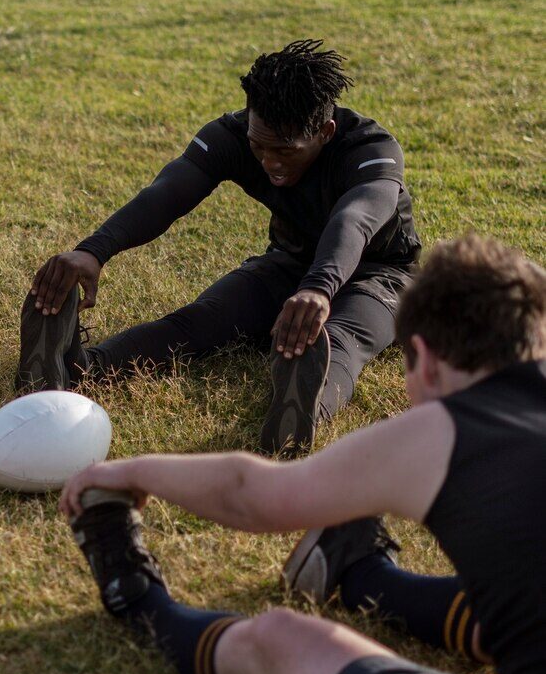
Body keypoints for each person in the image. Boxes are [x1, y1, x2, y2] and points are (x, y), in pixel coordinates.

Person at [57, 235, 546, 674]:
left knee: (282, 639)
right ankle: (364, 575)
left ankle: (134, 594)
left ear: (425, 357)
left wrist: (128, 470)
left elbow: (254, 496)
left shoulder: (448, 431)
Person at [21, 40, 420, 455]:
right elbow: (169, 191)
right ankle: (81, 367)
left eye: (286, 150)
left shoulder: (372, 150)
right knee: (199, 320)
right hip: (288, 266)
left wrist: (319, 288)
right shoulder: (234, 135)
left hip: (381, 278)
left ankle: (300, 414)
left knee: (338, 341)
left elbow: (354, 219)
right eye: (259, 146)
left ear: (325, 132)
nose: (270, 162)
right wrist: (93, 250)